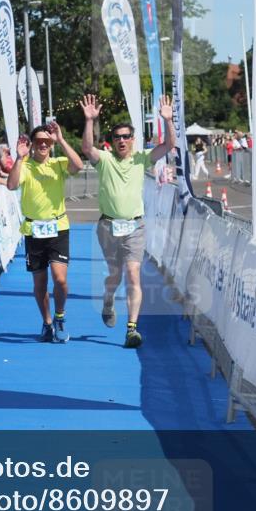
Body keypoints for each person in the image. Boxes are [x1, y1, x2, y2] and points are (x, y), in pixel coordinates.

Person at [81, 93, 175, 348]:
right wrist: (89, 120)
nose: (121, 140)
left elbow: (168, 146)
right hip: (108, 226)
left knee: (133, 274)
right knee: (115, 274)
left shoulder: (141, 158)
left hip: (135, 226)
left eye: (126, 136)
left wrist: (167, 120)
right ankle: (108, 300)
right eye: (117, 137)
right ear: (111, 142)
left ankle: (131, 328)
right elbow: (87, 149)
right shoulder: (105, 160)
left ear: (133, 140)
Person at [6, 121, 83, 343]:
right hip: (33, 230)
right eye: (38, 141)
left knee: (59, 279)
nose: (42, 145)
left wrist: (61, 139)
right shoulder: (25, 165)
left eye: (46, 142)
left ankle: (60, 316)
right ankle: (47, 323)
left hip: (58, 227)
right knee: (39, 284)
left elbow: (77, 166)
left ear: (51, 144)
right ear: (31, 144)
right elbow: (11, 185)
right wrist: (19, 158)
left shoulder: (58, 164)